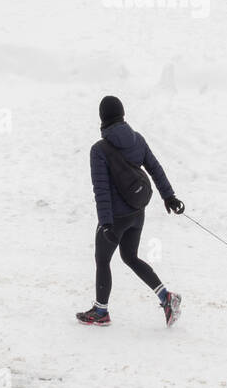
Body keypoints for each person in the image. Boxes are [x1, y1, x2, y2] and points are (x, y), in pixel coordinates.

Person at [77, 96, 184, 328]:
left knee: (103, 259)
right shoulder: (137, 140)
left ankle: (100, 311)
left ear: (102, 118)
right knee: (130, 257)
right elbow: (155, 169)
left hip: (115, 217)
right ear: (123, 114)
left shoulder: (99, 150)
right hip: (137, 211)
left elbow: (101, 190)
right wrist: (170, 197)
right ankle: (166, 298)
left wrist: (105, 223)